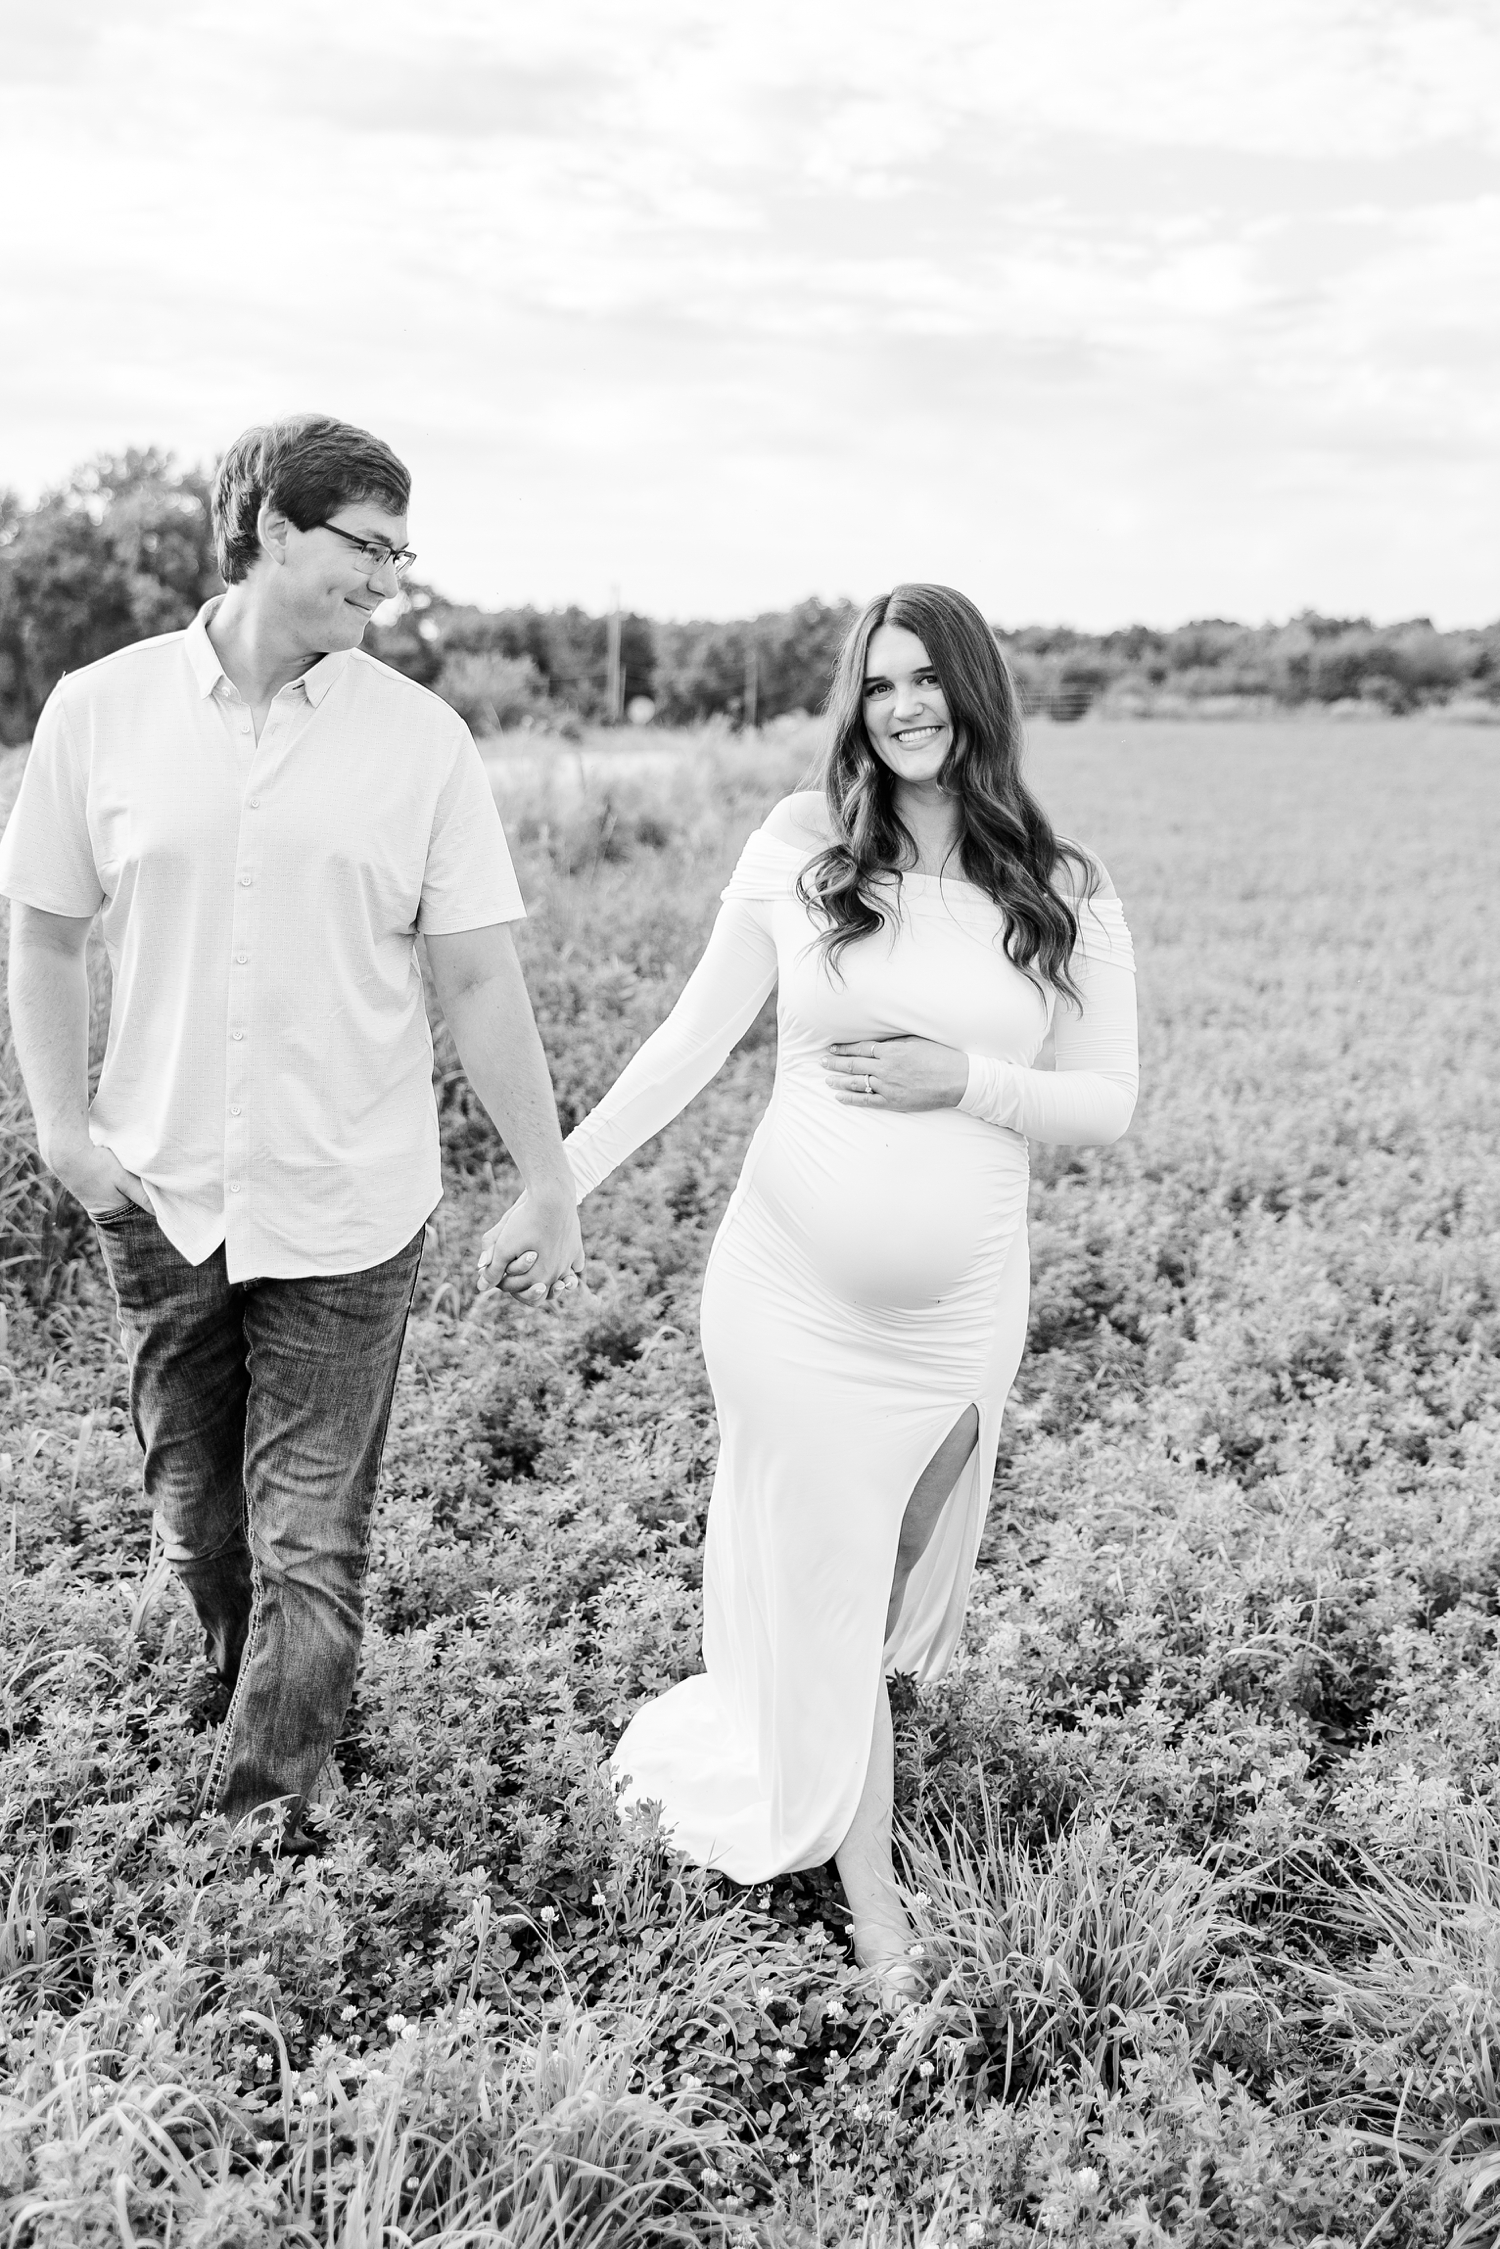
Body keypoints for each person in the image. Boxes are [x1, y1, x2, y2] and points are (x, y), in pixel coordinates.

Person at [486, 582, 1138, 2005]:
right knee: (837, 1582)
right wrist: (562, 1180)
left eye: (930, 680)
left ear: (978, 695)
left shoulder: (1061, 888)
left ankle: (813, 1728)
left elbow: (1107, 1098)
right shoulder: (800, 847)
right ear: (856, 700)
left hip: (963, 1313)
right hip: (787, 1296)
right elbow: (685, 1043)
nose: (904, 706)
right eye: (880, 682)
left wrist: (962, 1078)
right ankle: (877, 1905)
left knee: (891, 1573)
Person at [0, 413, 582, 1854]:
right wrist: (64, 1129)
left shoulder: (420, 742)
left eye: (401, 551)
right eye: (364, 546)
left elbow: (475, 978)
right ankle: (248, 1687)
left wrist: (550, 1174)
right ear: (269, 529)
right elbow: (49, 935)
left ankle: (271, 1823)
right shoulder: (102, 711)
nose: (386, 580)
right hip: (163, 1187)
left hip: (348, 1198)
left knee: (310, 1536)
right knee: (200, 1519)